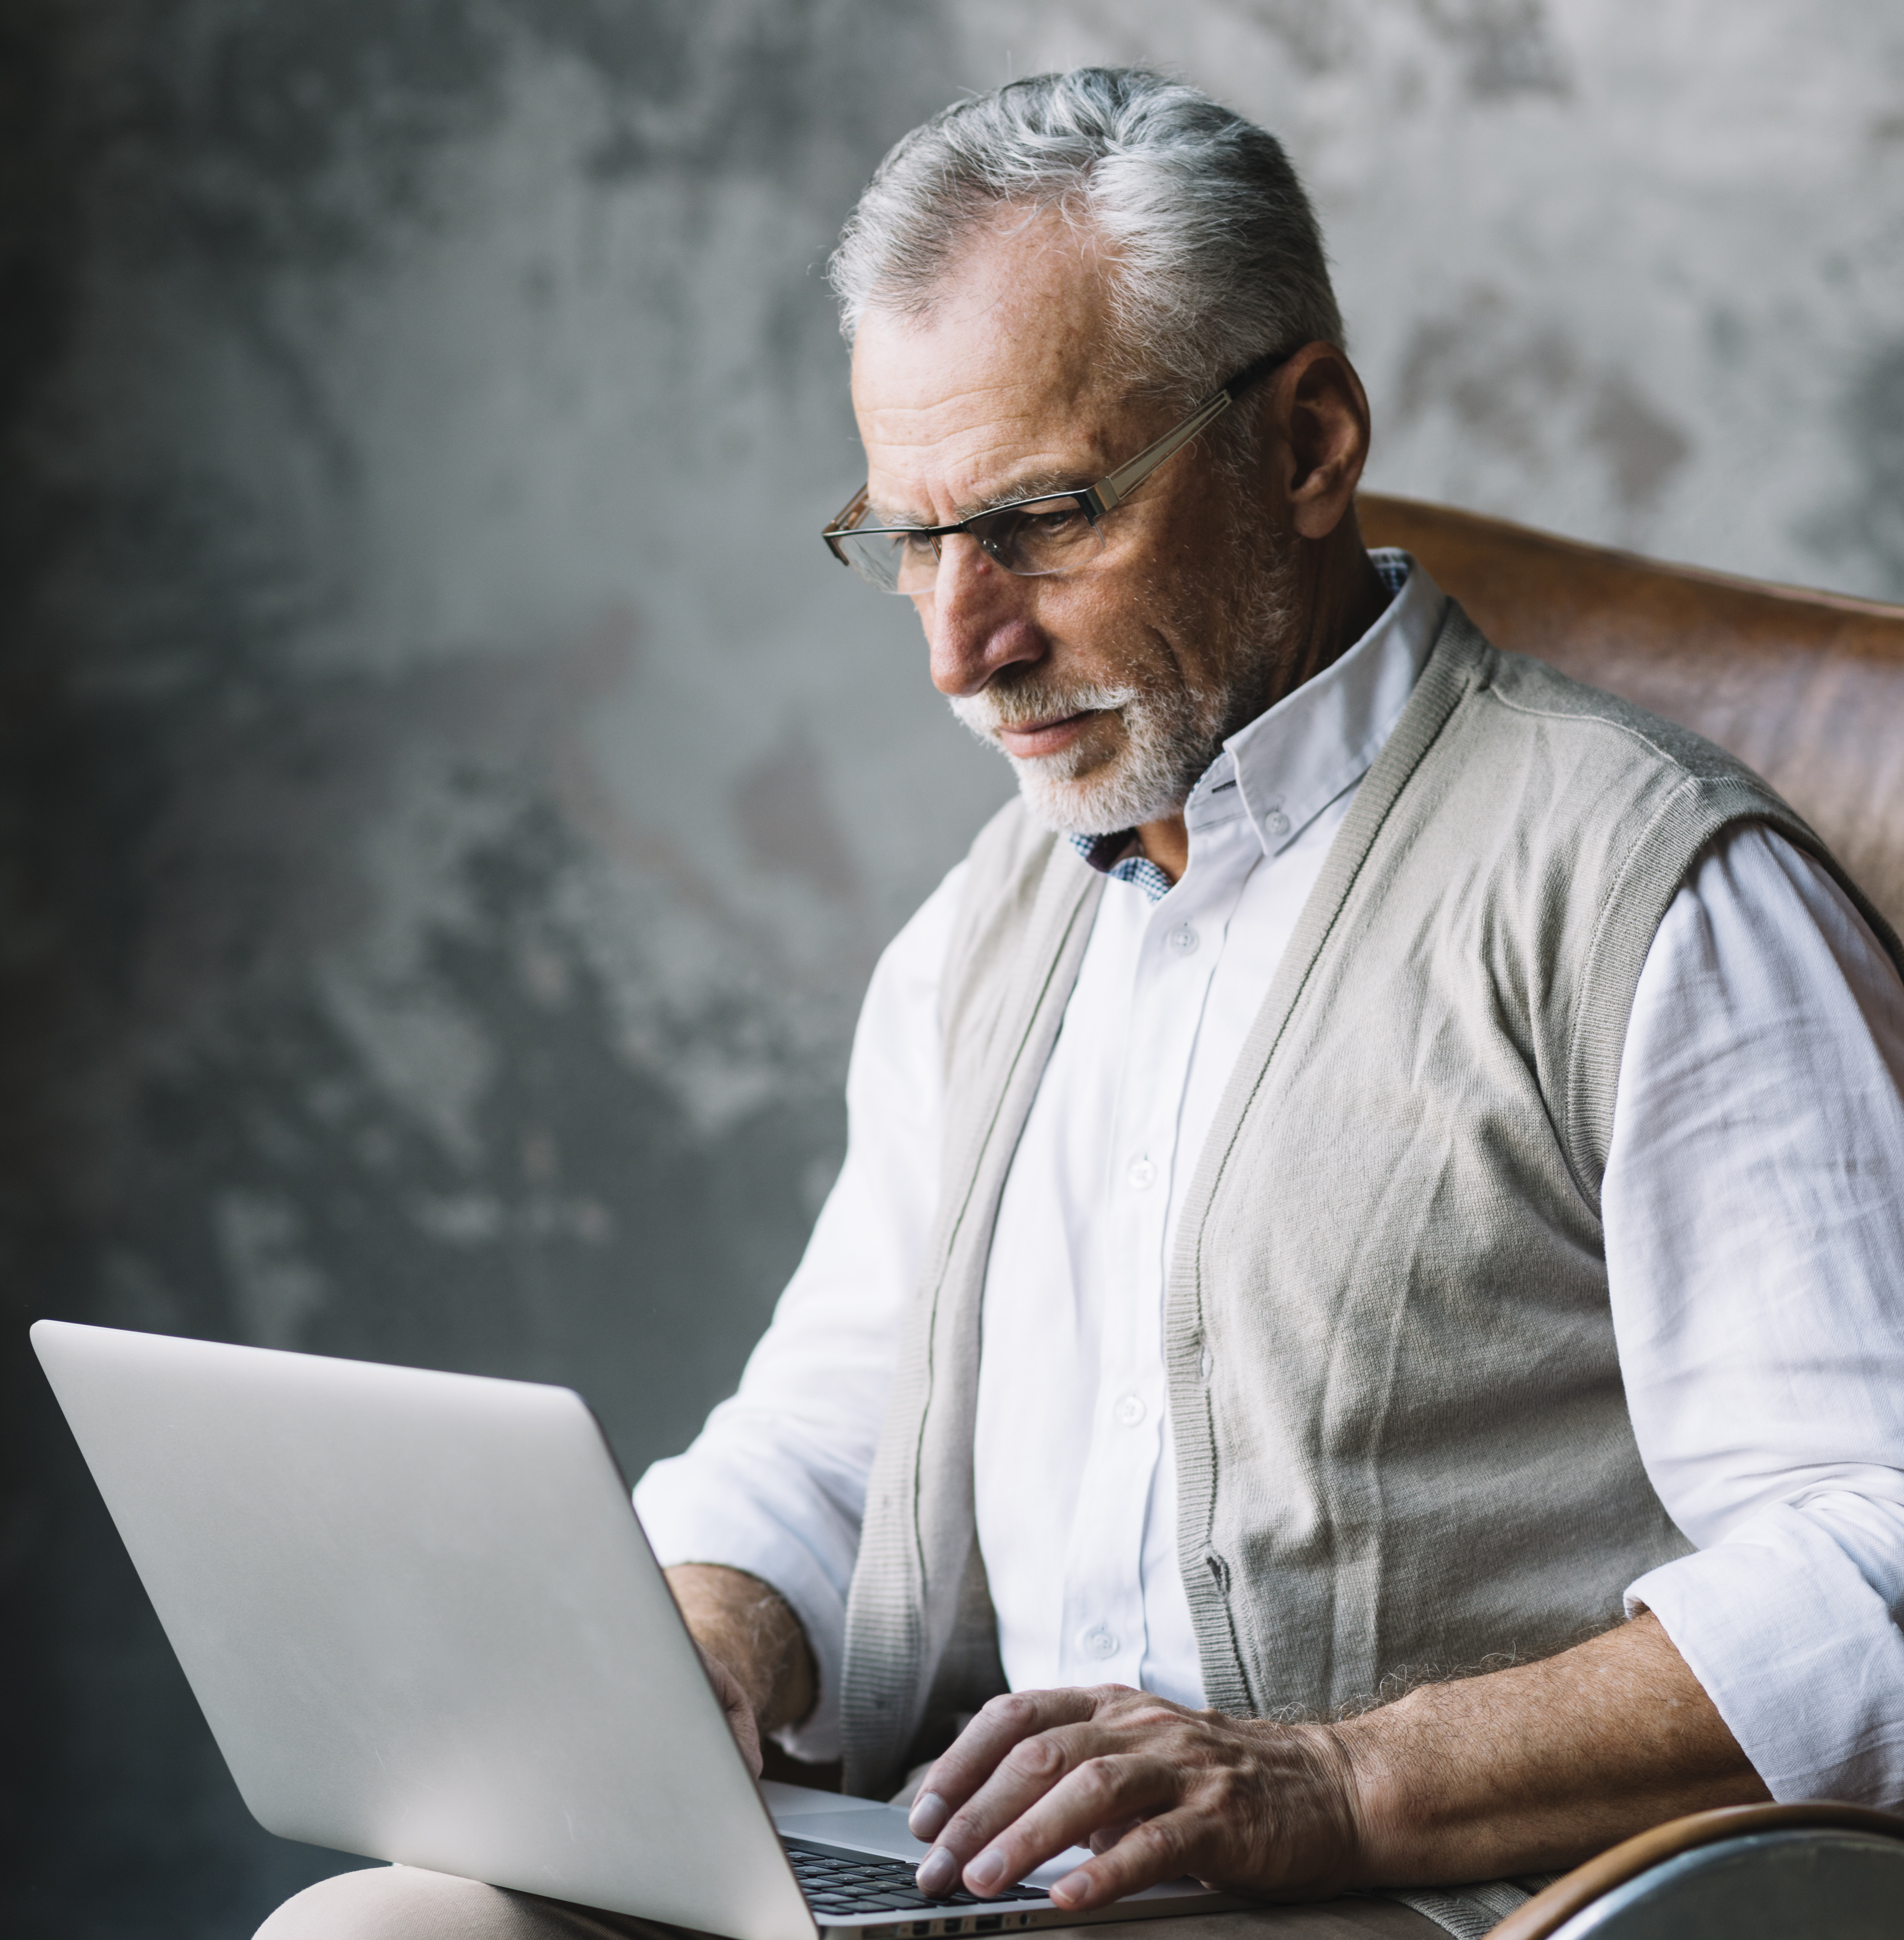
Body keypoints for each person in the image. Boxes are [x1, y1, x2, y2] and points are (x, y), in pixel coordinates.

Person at [261, 67, 1904, 1940]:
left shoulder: (1645, 893)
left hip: (1438, 1902)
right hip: (1020, 1889)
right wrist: (705, 1633)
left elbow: (1881, 1569)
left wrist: (1337, 1780)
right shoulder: (994, 919)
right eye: (910, 541)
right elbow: (833, 1434)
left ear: (1304, 444)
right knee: (386, 1928)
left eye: (1042, 519)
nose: (965, 647)